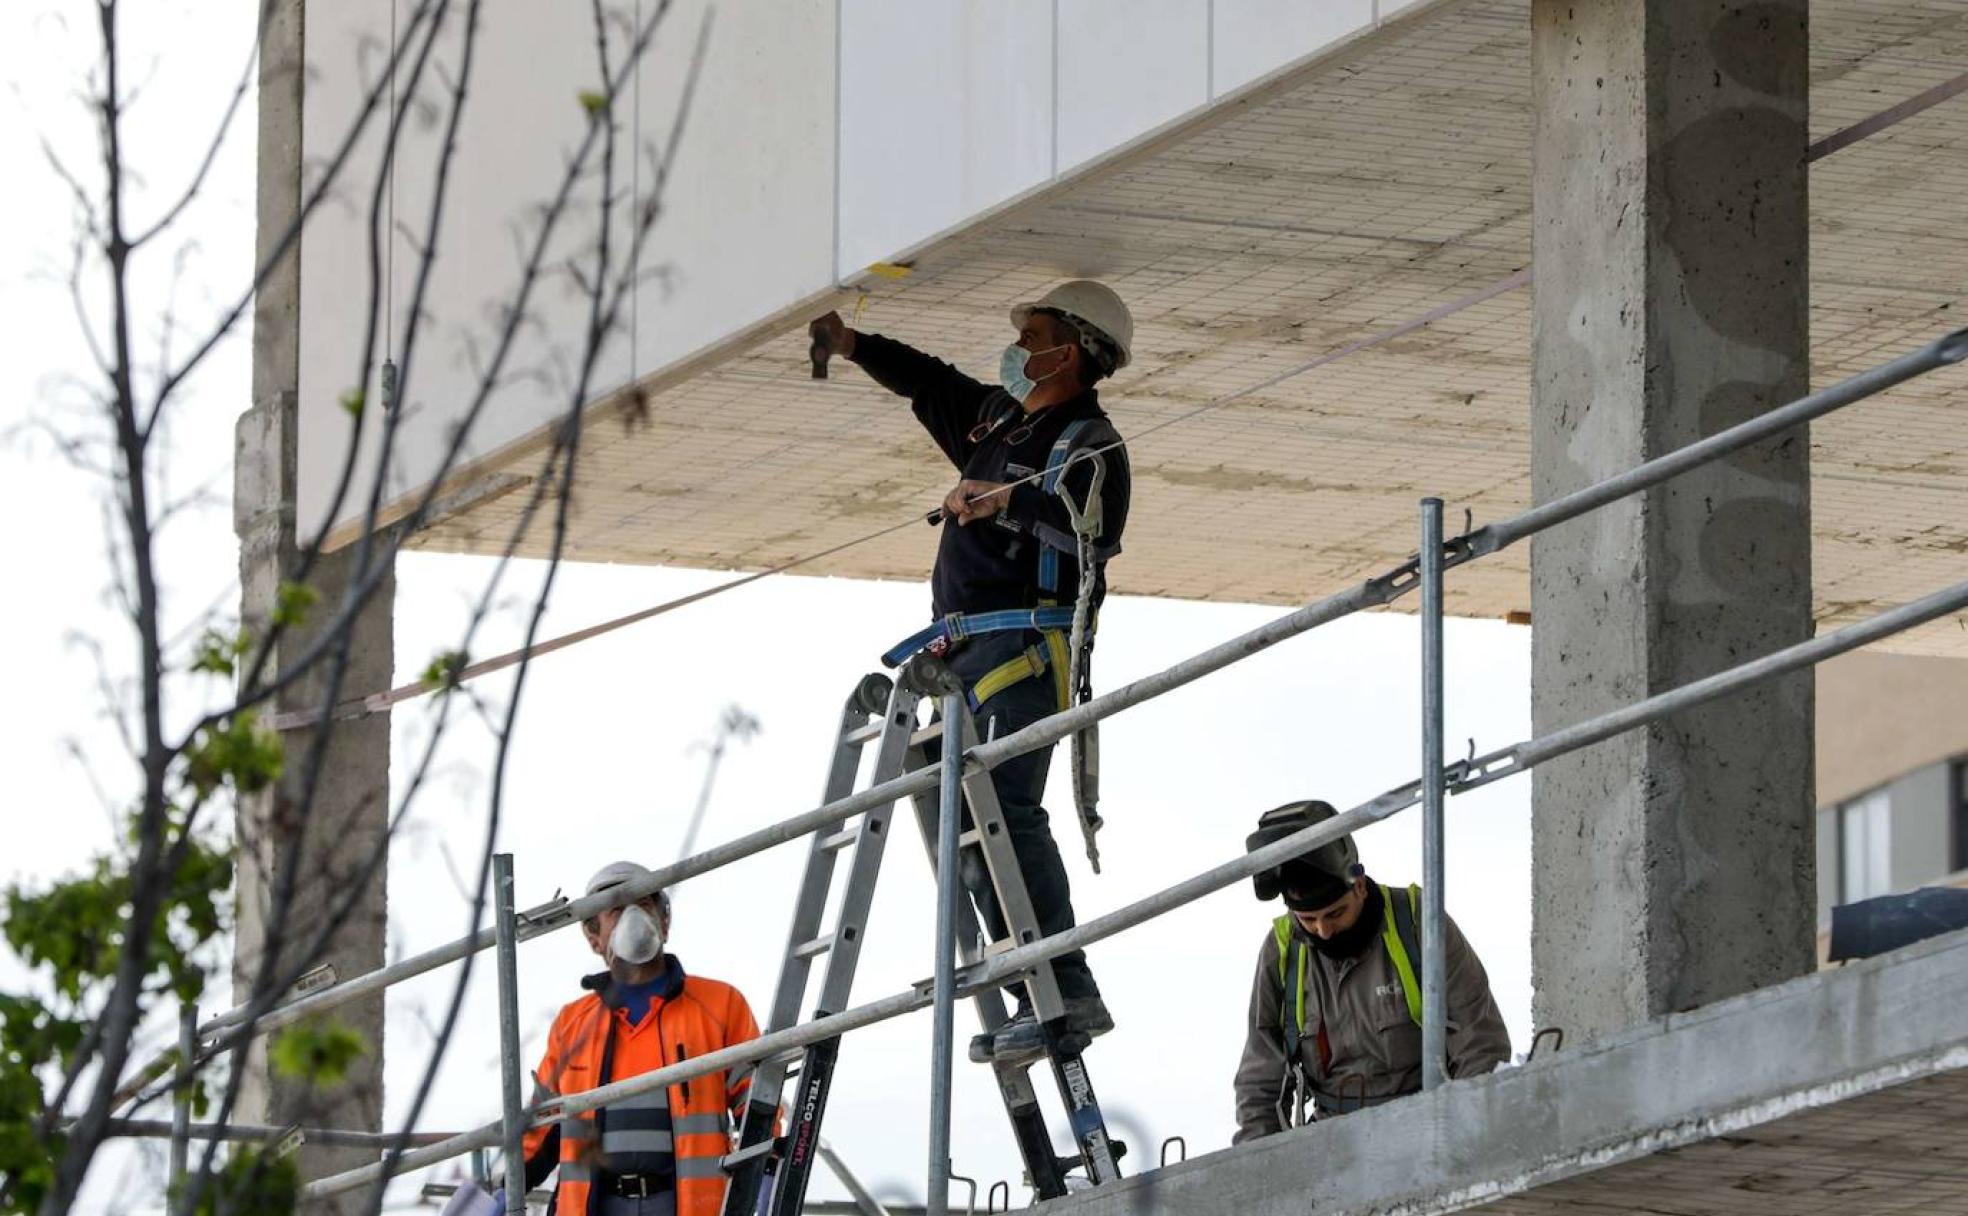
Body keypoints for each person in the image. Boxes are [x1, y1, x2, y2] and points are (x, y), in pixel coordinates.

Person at [807, 281, 1134, 1065]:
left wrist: (1008, 507)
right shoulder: (998, 423)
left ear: (1076, 350)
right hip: (964, 653)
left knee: (1008, 817)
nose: (1020, 348)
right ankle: (1034, 989)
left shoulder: (1090, 445)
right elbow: (932, 382)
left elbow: (1093, 547)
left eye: (1036, 334)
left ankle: (1068, 990)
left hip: (1025, 649)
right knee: (967, 832)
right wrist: (854, 347)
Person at [1233, 801, 1511, 1141]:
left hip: (1427, 1127)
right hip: (1332, 1142)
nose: (1323, 931)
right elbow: (1260, 1077)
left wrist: (1467, 1138)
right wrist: (1261, 1165)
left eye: (1335, 914)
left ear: (1359, 886)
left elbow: (1479, 1044)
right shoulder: (1282, 951)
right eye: (1307, 920)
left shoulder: (1417, 920)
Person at [521, 861, 762, 1215]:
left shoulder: (719, 1005)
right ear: (594, 937)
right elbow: (542, 1130)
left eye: (645, 904)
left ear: (664, 923)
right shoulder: (573, 1023)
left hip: (690, 1206)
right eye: (616, 910)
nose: (634, 918)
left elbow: (756, 1106)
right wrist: (500, 1190)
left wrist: (766, 1175)